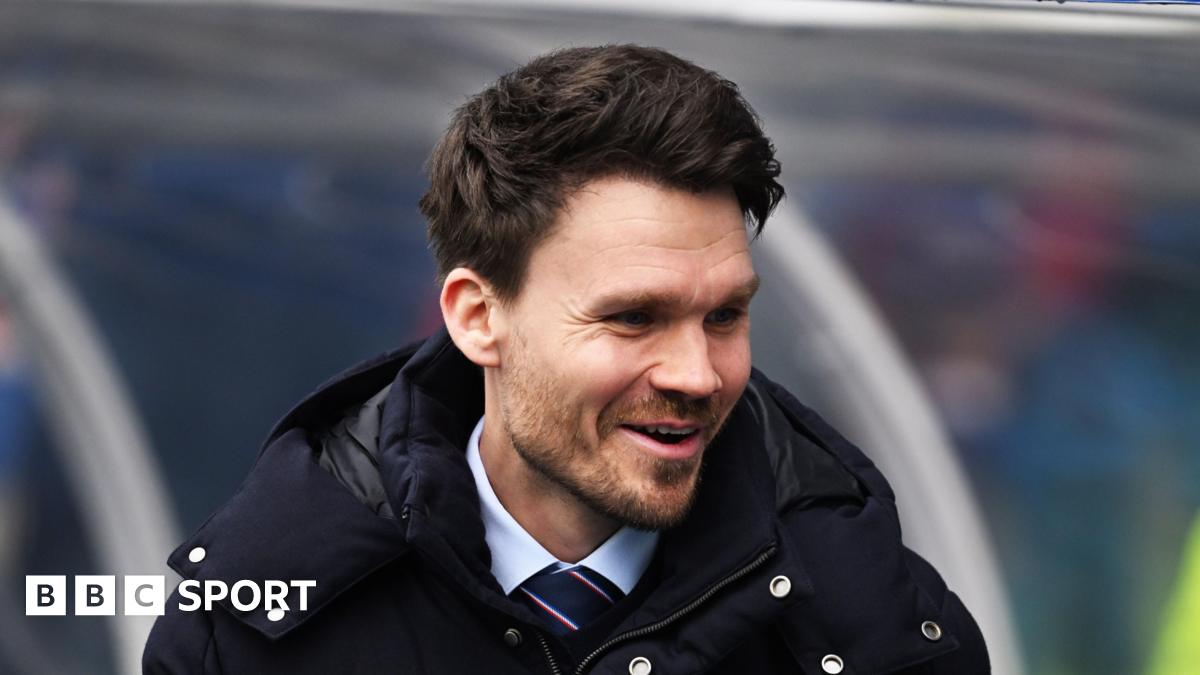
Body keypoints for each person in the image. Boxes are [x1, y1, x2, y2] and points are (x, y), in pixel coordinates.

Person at [143, 44, 989, 674]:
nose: (697, 373)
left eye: (725, 315)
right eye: (633, 317)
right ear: (479, 318)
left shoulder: (883, 629)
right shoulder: (248, 631)